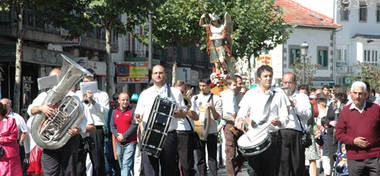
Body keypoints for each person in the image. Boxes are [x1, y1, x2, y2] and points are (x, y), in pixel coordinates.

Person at [27, 68, 94, 176]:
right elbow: (30, 110)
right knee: (50, 173)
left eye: (57, 78)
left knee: (69, 173)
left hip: (68, 140)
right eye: (52, 79)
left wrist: (78, 130)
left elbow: (84, 120)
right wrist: (41, 108)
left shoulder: (73, 97)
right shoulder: (44, 96)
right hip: (48, 141)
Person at [134, 65, 195, 176]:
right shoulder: (145, 94)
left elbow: (183, 113)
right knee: (150, 169)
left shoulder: (174, 93)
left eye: (161, 73)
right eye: (155, 73)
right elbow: (138, 115)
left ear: (165, 75)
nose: (158, 75)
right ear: (152, 76)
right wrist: (142, 131)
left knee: (169, 168)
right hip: (149, 133)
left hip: (168, 134)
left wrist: (169, 112)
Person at [235, 65, 288, 176]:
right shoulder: (251, 93)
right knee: (253, 171)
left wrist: (279, 122)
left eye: (270, 76)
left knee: (270, 171)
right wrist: (240, 120)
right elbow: (242, 112)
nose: (268, 78)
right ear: (259, 78)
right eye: (265, 76)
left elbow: (285, 117)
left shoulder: (279, 93)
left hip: (271, 136)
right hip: (254, 136)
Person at [336, 81, 380, 176]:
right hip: (354, 158)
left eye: (360, 93)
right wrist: (353, 141)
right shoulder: (345, 112)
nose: (357, 96)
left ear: (365, 94)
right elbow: (339, 134)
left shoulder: (376, 109)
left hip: (375, 157)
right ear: (350, 94)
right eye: (355, 93)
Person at [75, 69, 109, 176]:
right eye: (85, 81)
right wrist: (81, 99)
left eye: (90, 81)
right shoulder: (76, 94)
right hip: (80, 129)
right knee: (79, 163)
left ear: (94, 80)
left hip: (96, 129)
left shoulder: (102, 95)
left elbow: (105, 113)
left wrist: (93, 101)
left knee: (97, 162)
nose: (87, 83)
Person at [279, 72, 312, 176]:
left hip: (296, 134)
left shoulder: (302, 97)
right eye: (285, 83)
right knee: (282, 166)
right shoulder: (277, 96)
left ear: (295, 83)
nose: (287, 85)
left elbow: (308, 115)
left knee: (297, 166)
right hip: (281, 132)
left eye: (290, 82)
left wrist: (295, 105)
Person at [192, 78, 222, 176]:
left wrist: (212, 109)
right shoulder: (195, 98)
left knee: (212, 157)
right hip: (198, 132)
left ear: (209, 86)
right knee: (200, 158)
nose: (202, 88)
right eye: (200, 85)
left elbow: (217, 118)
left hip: (211, 132)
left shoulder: (216, 98)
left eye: (204, 86)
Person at [110, 92, 137, 176]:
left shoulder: (133, 111)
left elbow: (134, 125)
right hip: (118, 142)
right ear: (118, 101)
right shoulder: (114, 112)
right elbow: (112, 127)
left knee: (126, 164)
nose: (125, 102)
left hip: (130, 142)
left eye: (127, 100)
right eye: (123, 100)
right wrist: (118, 136)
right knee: (122, 164)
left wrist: (124, 135)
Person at [0, 98, 28, 174]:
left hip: (10, 152)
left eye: (5, 104)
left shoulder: (13, 119)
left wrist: (20, 143)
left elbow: (16, 135)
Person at [220, 77, 240, 176]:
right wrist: (234, 116)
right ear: (228, 86)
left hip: (234, 123)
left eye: (236, 85)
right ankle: (231, 173)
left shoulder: (231, 94)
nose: (235, 87)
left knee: (238, 150)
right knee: (230, 151)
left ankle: (234, 170)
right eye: (233, 85)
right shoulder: (229, 94)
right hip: (231, 123)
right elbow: (231, 109)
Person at [104, 93, 120, 176]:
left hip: (118, 139)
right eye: (114, 99)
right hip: (108, 138)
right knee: (108, 161)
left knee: (117, 162)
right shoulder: (109, 110)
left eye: (118, 99)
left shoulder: (122, 110)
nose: (116, 101)